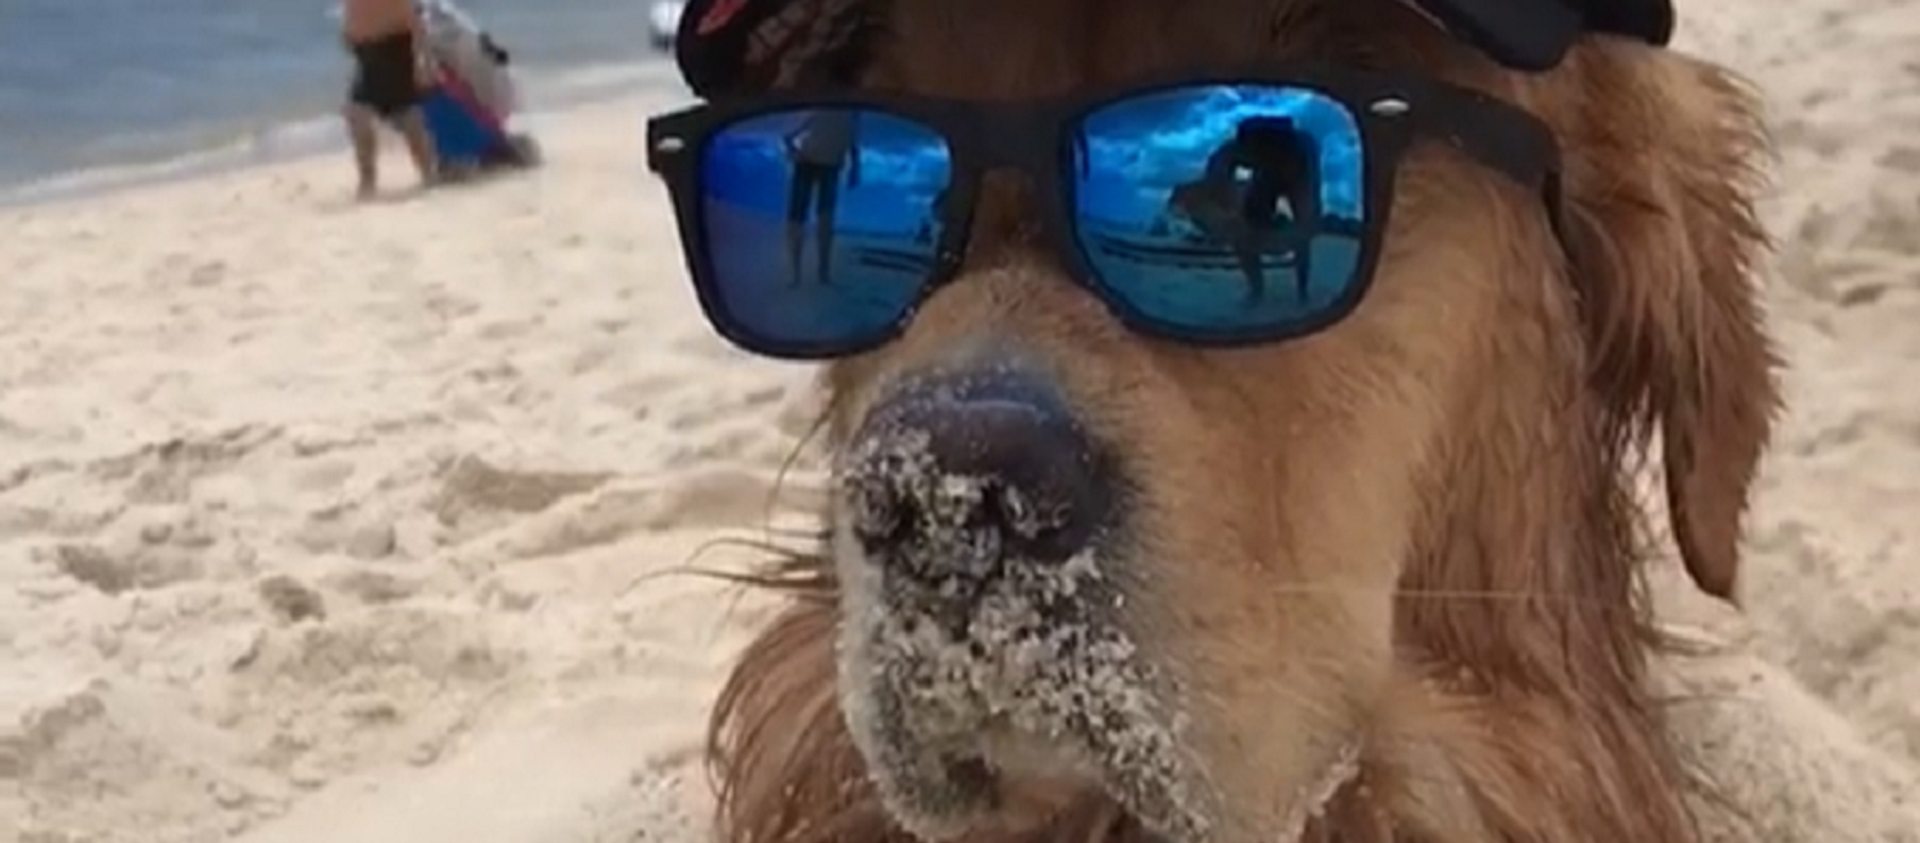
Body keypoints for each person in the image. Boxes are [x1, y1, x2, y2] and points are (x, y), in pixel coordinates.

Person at [340, 0, 441, 198]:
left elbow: (416, 22)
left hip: (396, 49)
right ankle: (367, 181)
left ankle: (429, 174)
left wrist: (424, 60)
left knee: (409, 119)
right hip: (368, 56)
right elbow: (348, 31)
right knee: (358, 116)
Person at [782, 110, 861, 286]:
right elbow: (789, 135)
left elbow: (853, 143)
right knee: (801, 218)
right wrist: (793, 151)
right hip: (809, 164)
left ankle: (818, 274)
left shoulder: (850, 115)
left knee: (820, 220)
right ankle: (798, 275)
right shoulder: (837, 112)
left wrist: (855, 168)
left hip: (825, 167)